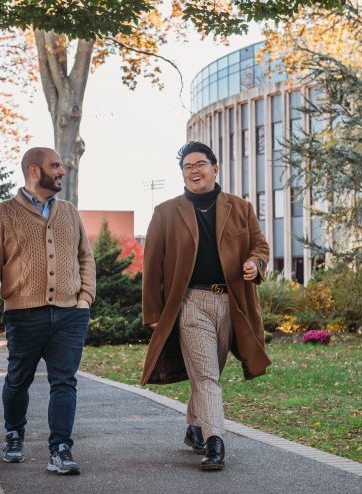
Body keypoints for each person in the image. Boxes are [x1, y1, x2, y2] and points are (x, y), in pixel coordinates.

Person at [141, 141, 271, 471]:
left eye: (200, 164)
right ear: (182, 175)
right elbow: (152, 264)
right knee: (207, 376)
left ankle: (195, 427)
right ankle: (215, 442)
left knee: (208, 371)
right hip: (190, 303)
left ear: (215, 168)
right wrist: (154, 313)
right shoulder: (166, 212)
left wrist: (255, 264)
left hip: (233, 303)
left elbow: (260, 246)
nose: (194, 170)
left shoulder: (240, 207)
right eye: (187, 167)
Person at [0, 146, 96, 475]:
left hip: (70, 314)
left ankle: (61, 448)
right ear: (33, 170)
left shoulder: (69, 212)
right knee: (18, 381)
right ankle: (14, 433)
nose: (61, 171)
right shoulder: (3, 213)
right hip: (24, 314)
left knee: (64, 382)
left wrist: (85, 298)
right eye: (54, 166)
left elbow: (86, 257)